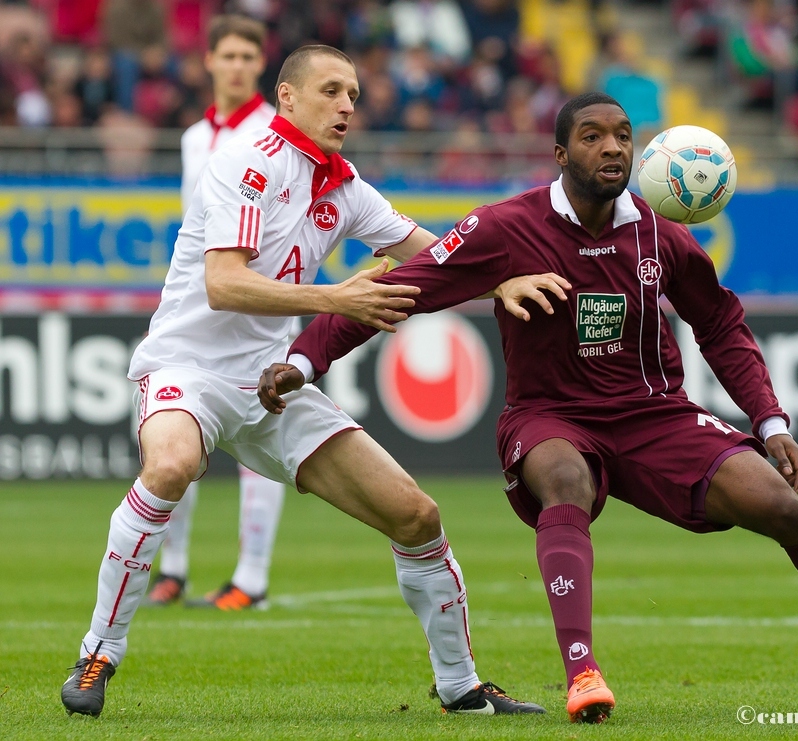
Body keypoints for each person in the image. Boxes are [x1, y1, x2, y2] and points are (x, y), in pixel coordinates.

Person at [259, 91, 798, 724]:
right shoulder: (504, 228)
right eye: (593, 137)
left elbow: (722, 324)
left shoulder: (661, 235)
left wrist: (769, 419)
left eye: (623, 136)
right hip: (549, 415)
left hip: (657, 417)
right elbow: (404, 286)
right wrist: (303, 359)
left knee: (785, 507)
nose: (613, 148)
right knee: (564, 481)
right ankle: (582, 671)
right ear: (561, 155)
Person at [60, 44, 550, 719]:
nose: (347, 103)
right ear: (287, 97)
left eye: (352, 92)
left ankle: (461, 685)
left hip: (268, 386)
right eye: (330, 90)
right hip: (187, 368)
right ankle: (100, 650)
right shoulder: (244, 160)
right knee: (171, 465)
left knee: (416, 515)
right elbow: (224, 283)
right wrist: (335, 300)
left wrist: (503, 280)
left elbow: (431, 257)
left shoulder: (345, 188)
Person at [143, 14, 286, 613]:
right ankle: (172, 568)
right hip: (197, 307)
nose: (235, 66)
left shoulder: (274, 132)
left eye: (246, 57)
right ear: (208, 61)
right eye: (226, 55)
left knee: (260, 433)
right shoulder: (192, 137)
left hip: (258, 305)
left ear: (260, 64)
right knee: (173, 431)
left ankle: (250, 576)